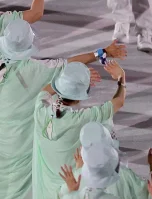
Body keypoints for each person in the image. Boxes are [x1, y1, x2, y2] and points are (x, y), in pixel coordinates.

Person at [0, 0, 127, 199]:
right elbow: (65, 64)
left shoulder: (40, 104)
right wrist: (102, 55)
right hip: (17, 148)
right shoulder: (34, 72)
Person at [31, 60, 128, 199]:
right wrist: (121, 78)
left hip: (43, 193)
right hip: (70, 190)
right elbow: (119, 102)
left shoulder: (40, 109)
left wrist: (71, 80)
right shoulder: (81, 118)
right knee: (103, 126)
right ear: (80, 98)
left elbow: (45, 91)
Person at [56, 122, 152, 198]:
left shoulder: (74, 180)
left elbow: (60, 195)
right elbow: (150, 193)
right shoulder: (125, 176)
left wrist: (73, 191)